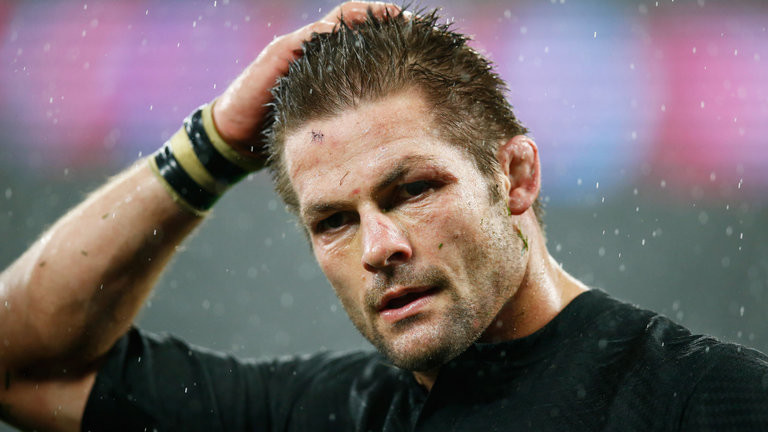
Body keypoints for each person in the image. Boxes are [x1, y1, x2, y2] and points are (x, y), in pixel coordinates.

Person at [1, 2, 767, 431]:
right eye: (334, 220)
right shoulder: (315, 417)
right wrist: (212, 147)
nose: (380, 245)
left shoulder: (708, 402)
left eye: (413, 190)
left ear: (515, 176)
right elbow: (16, 360)